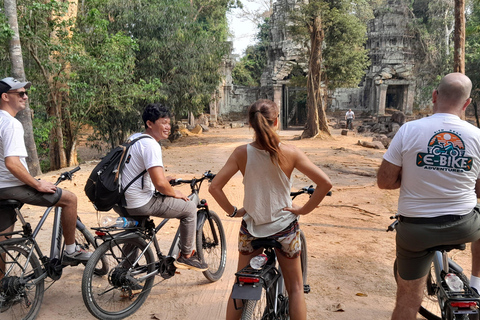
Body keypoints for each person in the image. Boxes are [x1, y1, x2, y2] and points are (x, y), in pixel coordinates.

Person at [209, 99, 332, 320]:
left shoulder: (240, 153)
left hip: (251, 230)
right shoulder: (291, 152)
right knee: (295, 289)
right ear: (276, 121)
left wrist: (233, 211)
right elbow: (325, 184)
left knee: (239, 285)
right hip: (284, 229)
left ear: (250, 124)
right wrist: (303, 210)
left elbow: (215, 187)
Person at [377, 72, 480, 320]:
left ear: (435, 96)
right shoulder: (477, 136)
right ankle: (477, 283)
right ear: (466, 103)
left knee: (408, 299)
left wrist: (413, 178)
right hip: (464, 225)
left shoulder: (408, 130)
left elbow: (384, 181)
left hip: (416, 230)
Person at [0, 77, 91, 265]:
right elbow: (12, 163)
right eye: (20, 93)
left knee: (3, 243)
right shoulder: (10, 124)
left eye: (26, 93)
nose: (25, 97)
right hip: (12, 186)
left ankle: (4, 290)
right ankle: (71, 251)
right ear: (5, 97)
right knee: (70, 200)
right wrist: (37, 184)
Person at [121, 103, 207, 271]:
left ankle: (125, 273)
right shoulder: (151, 145)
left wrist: (164, 179)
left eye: (168, 122)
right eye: (163, 122)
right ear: (150, 123)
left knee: (139, 229)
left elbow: (138, 172)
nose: (168, 127)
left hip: (124, 199)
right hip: (140, 201)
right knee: (189, 208)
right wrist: (173, 192)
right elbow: (160, 185)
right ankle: (186, 256)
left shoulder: (134, 138)